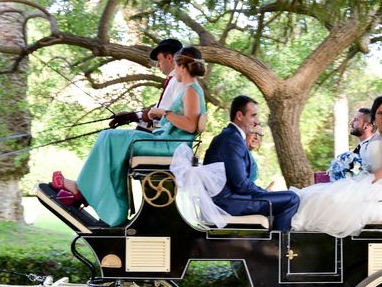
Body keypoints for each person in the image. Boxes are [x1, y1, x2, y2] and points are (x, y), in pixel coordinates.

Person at [54, 46, 207, 226]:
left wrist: (164, 113)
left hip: (170, 146)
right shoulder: (189, 89)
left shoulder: (190, 90)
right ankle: (102, 198)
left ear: (182, 66)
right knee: (110, 138)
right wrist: (158, 114)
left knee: (109, 137)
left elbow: (189, 125)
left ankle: (84, 189)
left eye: (176, 66)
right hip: (167, 141)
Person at [290, 96, 382, 236]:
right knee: (312, 195)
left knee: (331, 200)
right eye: (380, 113)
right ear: (374, 117)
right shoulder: (376, 137)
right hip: (371, 184)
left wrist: (361, 182)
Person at [203, 96, 300, 231]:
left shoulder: (232, 136)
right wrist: (264, 193)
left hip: (231, 199)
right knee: (292, 199)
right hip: (228, 203)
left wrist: (265, 194)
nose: (257, 121)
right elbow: (241, 185)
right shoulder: (232, 139)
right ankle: (280, 247)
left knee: (287, 197)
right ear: (239, 116)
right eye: (253, 115)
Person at [109, 38, 184, 129]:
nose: (157, 65)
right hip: (160, 133)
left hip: (165, 137)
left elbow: (167, 114)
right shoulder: (173, 80)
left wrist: (145, 116)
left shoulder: (179, 81)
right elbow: (158, 110)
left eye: (159, 60)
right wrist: (131, 116)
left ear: (169, 58)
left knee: (107, 135)